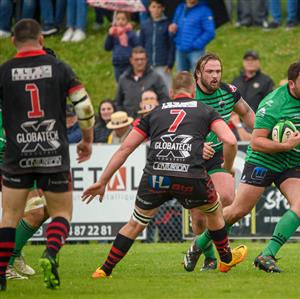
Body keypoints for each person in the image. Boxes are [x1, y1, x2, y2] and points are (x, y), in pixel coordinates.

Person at [184, 62, 300, 273]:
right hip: (263, 160)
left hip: (293, 163)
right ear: (291, 84)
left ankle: (267, 255)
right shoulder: (272, 105)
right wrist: (283, 145)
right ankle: (199, 244)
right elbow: (256, 142)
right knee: (237, 211)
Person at [82, 71, 247, 278]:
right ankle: (225, 260)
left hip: (156, 175)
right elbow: (230, 140)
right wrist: (227, 166)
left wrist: (102, 181)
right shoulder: (205, 109)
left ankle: (104, 269)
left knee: (135, 223)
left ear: (170, 92)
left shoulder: (154, 112)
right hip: (190, 175)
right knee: (214, 212)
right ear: (194, 91)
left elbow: (125, 149)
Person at [0, 19, 95, 291]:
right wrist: (87, 140)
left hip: (17, 154)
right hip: (52, 152)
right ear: (42, 39)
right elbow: (84, 106)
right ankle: (50, 254)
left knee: (9, 216)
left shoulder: (5, 72)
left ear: (12, 41)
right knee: (61, 212)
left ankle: (1, 273)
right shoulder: (59, 68)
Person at [184, 53, 255, 272]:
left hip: (216, 154)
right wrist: (195, 146)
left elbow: (247, 112)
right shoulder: (188, 96)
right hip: (190, 157)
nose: (215, 76)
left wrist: (264, 133)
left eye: (218, 71)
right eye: (210, 72)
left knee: (226, 197)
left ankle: (198, 245)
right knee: (198, 217)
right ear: (198, 74)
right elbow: (175, 130)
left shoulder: (229, 92)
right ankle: (210, 257)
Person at [114, 47, 169, 118]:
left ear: (146, 60)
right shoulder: (123, 79)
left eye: (142, 59)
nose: (139, 62)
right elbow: (118, 102)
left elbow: (165, 99)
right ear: (131, 60)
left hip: (151, 119)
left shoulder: (156, 77)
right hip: (129, 121)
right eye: (136, 60)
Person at [169, 0, 216, 72]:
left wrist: (196, 44)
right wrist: (172, 29)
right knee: (182, 79)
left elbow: (210, 32)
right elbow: (174, 24)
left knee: (198, 78)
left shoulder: (204, 10)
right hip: (180, 50)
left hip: (195, 52)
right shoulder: (180, 8)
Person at [140, 0, 175, 90]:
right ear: (149, 8)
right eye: (153, 7)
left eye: (159, 7)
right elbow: (141, 45)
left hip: (163, 65)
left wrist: (170, 63)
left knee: (166, 89)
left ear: (162, 8)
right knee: (149, 89)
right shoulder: (145, 25)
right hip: (148, 64)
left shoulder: (167, 24)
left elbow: (171, 45)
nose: (156, 10)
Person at [104, 11, 140, 82]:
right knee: (119, 83)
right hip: (117, 63)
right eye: (118, 19)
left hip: (128, 63)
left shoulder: (131, 33)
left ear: (127, 20)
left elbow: (137, 46)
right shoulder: (113, 34)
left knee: (129, 82)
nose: (120, 21)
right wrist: (110, 35)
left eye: (123, 19)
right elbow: (107, 47)